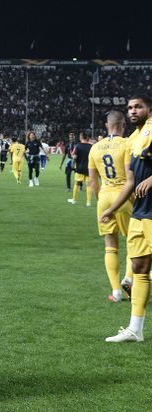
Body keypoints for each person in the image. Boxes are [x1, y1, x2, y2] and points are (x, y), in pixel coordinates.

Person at [101, 95, 152, 342]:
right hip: (140, 211)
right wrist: (112, 209)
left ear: (149, 108)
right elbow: (131, 180)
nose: (132, 111)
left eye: (138, 106)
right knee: (139, 268)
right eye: (130, 107)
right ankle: (135, 329)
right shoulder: (132, 138)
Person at [89, 111, 133, 302]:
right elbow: (130, 175)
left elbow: (93, 181)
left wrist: (103, 202)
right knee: (134, 241)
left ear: (107, 126)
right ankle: (129, 278)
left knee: (110, 245)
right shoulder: (126, 144)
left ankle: (115, 291)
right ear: (123, 125)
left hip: (104, 197)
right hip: (124, 197)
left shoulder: (95, 148)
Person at [69, 132, 93, 206]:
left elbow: (74, 157)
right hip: (89, 169)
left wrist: (72, 155)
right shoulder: (91, 146)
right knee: (89, 185)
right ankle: (88, 202)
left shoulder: (78, 146)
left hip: (79, 168)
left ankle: (74, 200)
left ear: (81, 137)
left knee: (77, 184)